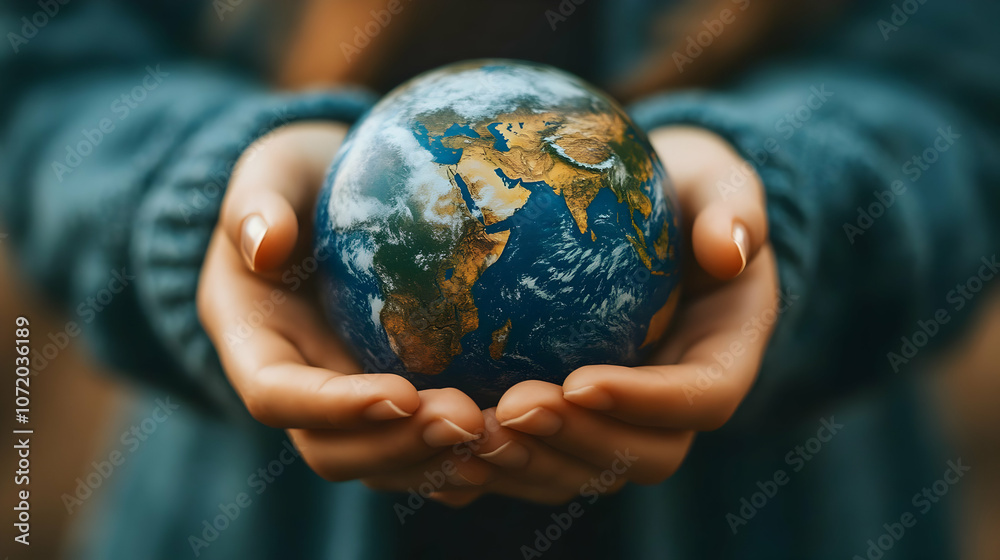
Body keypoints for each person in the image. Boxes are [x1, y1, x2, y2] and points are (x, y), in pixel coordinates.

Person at [1, 0, 997, 558]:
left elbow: (957, 80)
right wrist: (197, 189)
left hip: (801, 503)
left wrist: (803, 202)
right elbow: (50, 64)